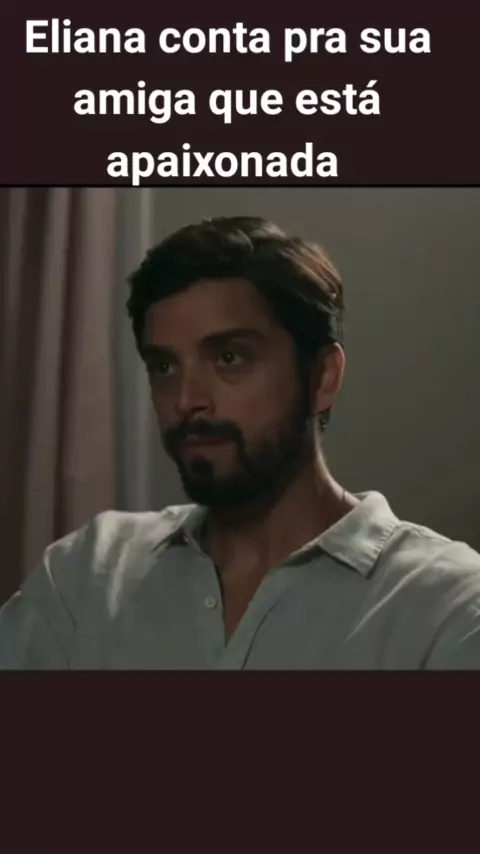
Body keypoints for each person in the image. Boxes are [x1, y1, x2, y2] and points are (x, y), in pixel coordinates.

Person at [1, 215, 480, 669]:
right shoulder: (86, 575)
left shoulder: (445, 607)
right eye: (164, 367)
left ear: (323, 378)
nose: (186, 400)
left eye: (229, 357)